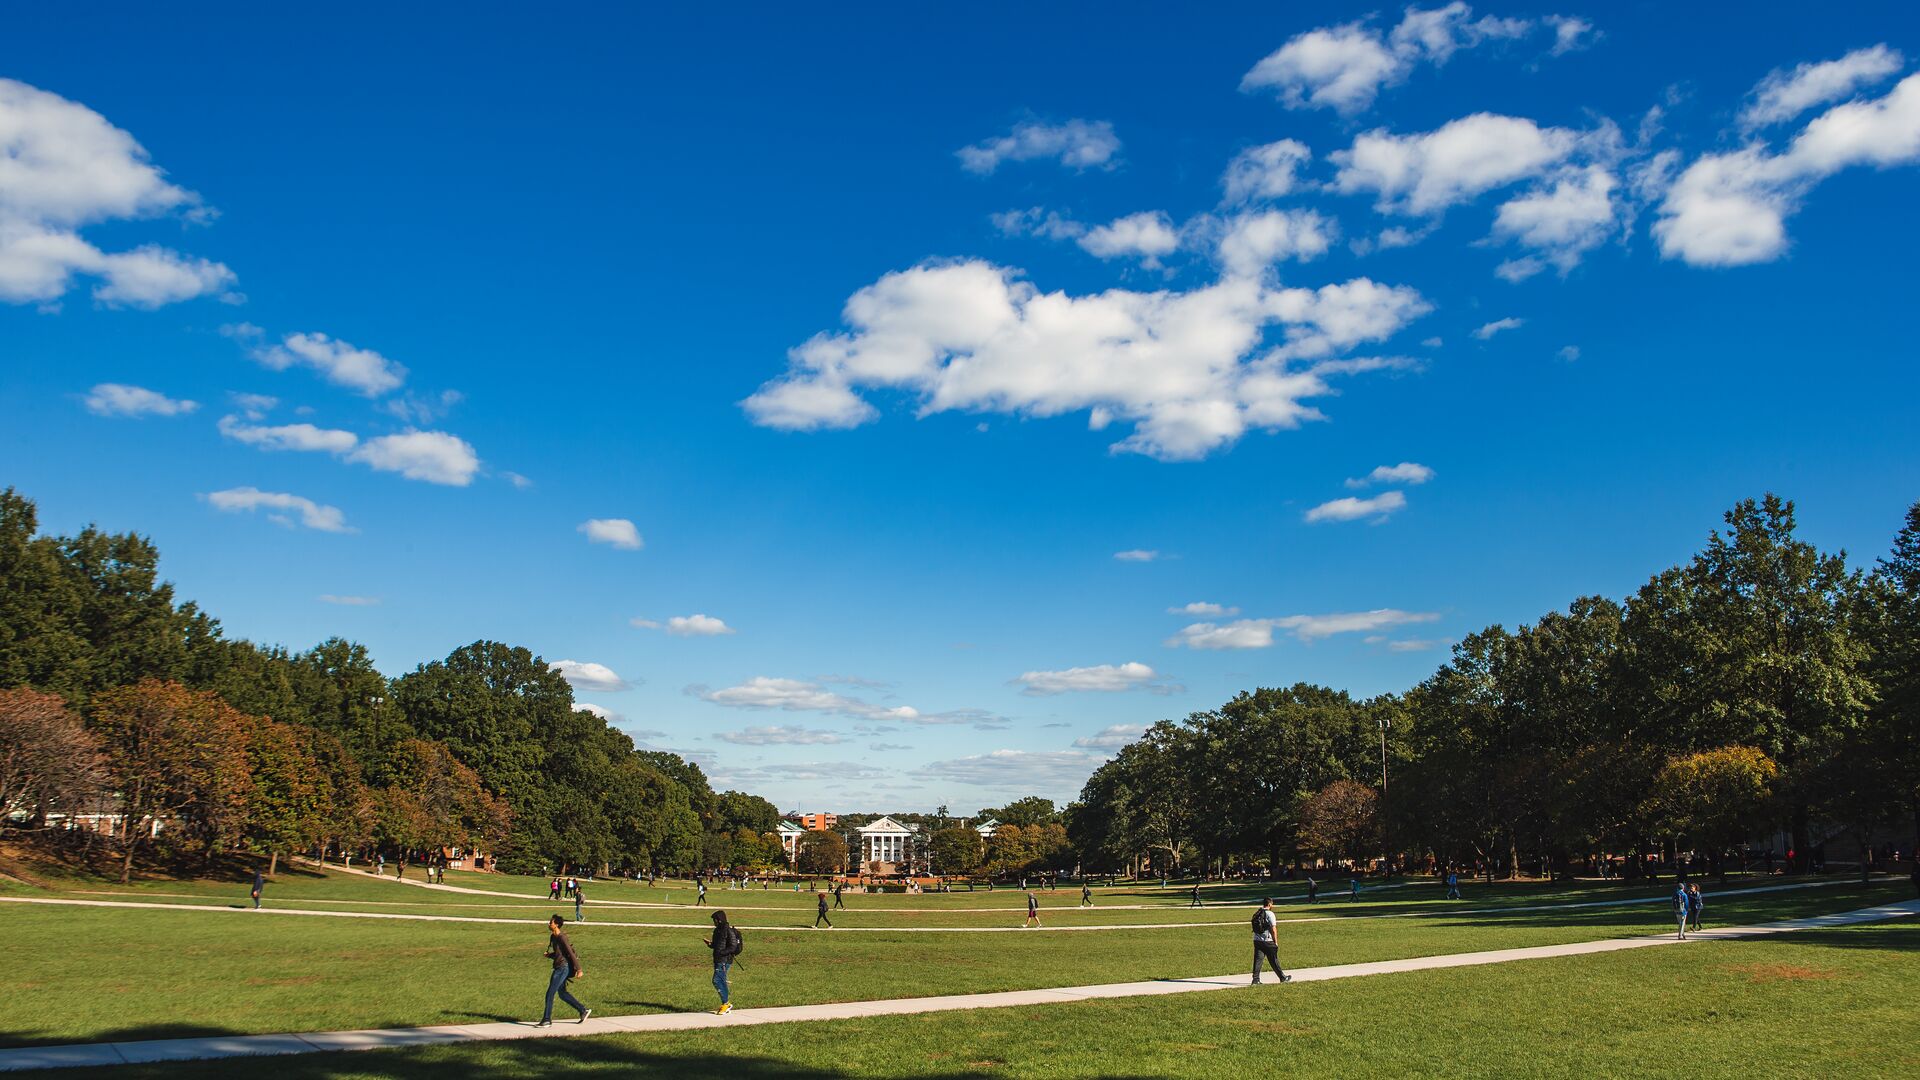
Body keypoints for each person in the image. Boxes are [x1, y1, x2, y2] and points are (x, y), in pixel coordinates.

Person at [539, 915, 590, 1026]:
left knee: (550, 993)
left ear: (556, 924)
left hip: (563, 968)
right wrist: (549, 955)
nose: (549, 924)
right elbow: (559, 953)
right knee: (562, 993)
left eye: (550, 922)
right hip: (559, 966)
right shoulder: (553, 937)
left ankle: (547, 1019)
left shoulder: (562, 937)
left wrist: (579, 969)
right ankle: (583, 1010)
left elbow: (570, 953)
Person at [705, 910, 742, 1015]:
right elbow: (716, 945)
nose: (714, 922)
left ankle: (726, 1004)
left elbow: (733, 946)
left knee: (716, 980)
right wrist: (710, 944)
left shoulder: (728, 931)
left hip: (725, 961)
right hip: (717, 960)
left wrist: (722, 952)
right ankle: (726, 1004)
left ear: (720, 920)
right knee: (721, 980)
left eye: (715, 920)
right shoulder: (717, 931)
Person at [1251, 897, 1291, 985]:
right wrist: (1275, 941)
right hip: (1267, 940)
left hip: (1257, 940)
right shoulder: (1270, 914)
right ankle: (1282, 978)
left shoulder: (1257, 913)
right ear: (1269, 904)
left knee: (1258, 960)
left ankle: (1255, 979)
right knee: (1273, 959)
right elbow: (1273, 929)